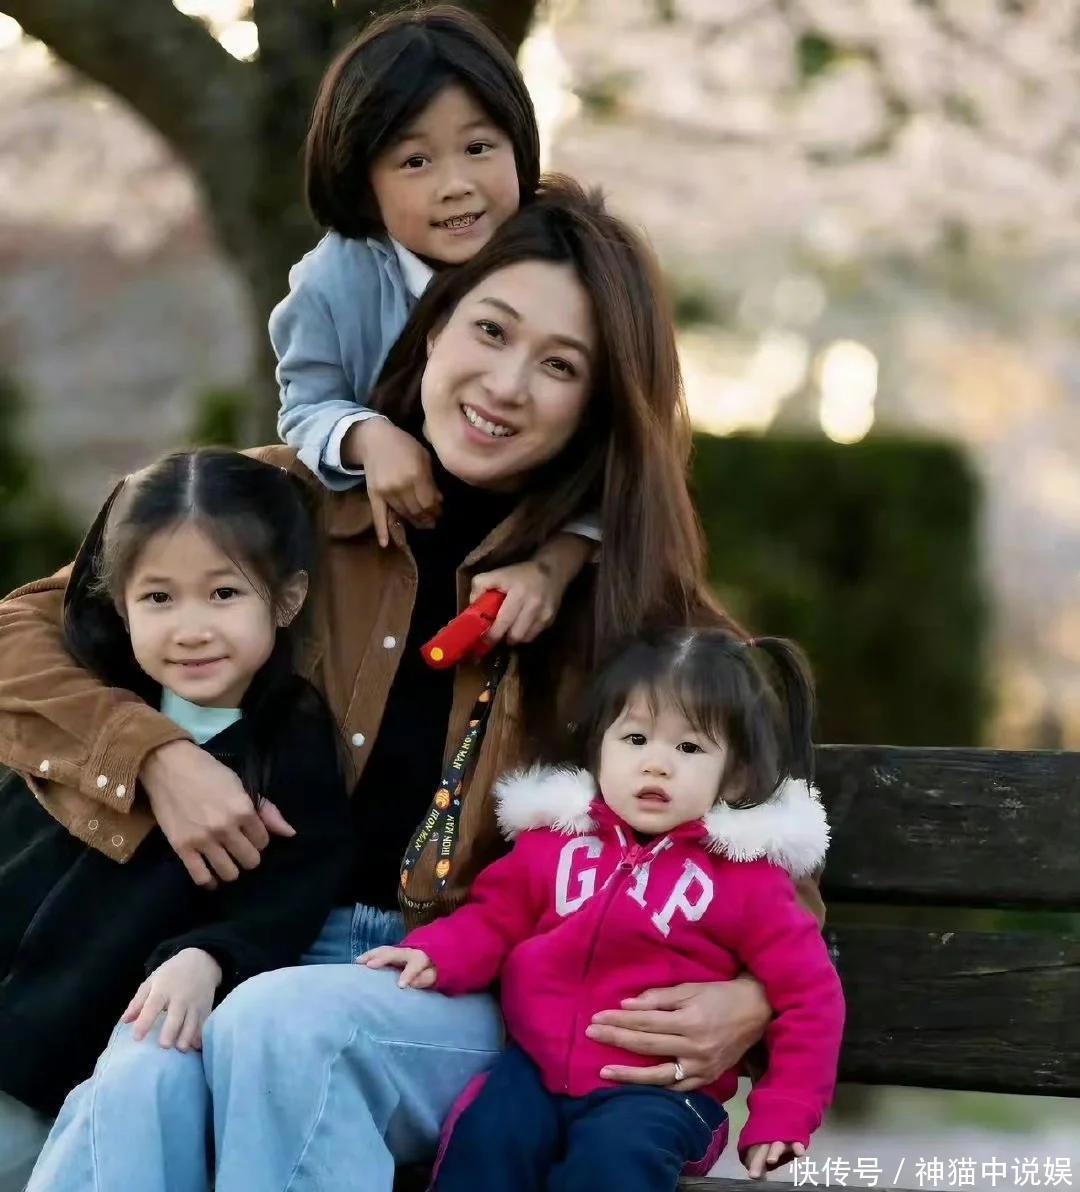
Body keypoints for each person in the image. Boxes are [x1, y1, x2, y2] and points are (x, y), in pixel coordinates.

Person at [1, 181, 822, 1192]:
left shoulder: (639, 606)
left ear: (598, 403)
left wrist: (752, 1000)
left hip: (472, 984)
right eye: (491, 329)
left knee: (285, 1026)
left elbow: (772, 853)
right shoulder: (280, 507)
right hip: (248, 940)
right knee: (145, 1074)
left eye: (559, 365)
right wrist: (156, 756)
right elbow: (17, 637)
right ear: (432, 328)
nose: (507, 383)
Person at [366, 628, 845, 1188]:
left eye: (689, 748)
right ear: (598, 750)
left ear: (735, 775)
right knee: (485, 1140)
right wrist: (435, 952)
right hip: (534, 1071)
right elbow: (493, 919)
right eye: (635, 739)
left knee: (613, 1161)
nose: (656, 765)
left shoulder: (747, 880)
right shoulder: (554, 845)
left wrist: (785, 1110)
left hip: (660, 1094)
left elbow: (810, 995)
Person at [0, 449, 350, 1191]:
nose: (191, 630)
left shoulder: (288, 741)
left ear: (286, 600)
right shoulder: (94, 706)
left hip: (70, 1063)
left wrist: (209, 955)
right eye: (159, 598)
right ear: (120, 604)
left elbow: (289, 894)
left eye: (223, 594)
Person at [275, 4, 599, 648]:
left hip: (518, 541)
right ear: (363, 182)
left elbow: (623, 462)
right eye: (415, 162)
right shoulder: (333, 281)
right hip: (381, 548)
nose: (457, 185)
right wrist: (368, 437)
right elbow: (304, 404)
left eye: (478, 149)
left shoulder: (558, 262)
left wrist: (555, 563)